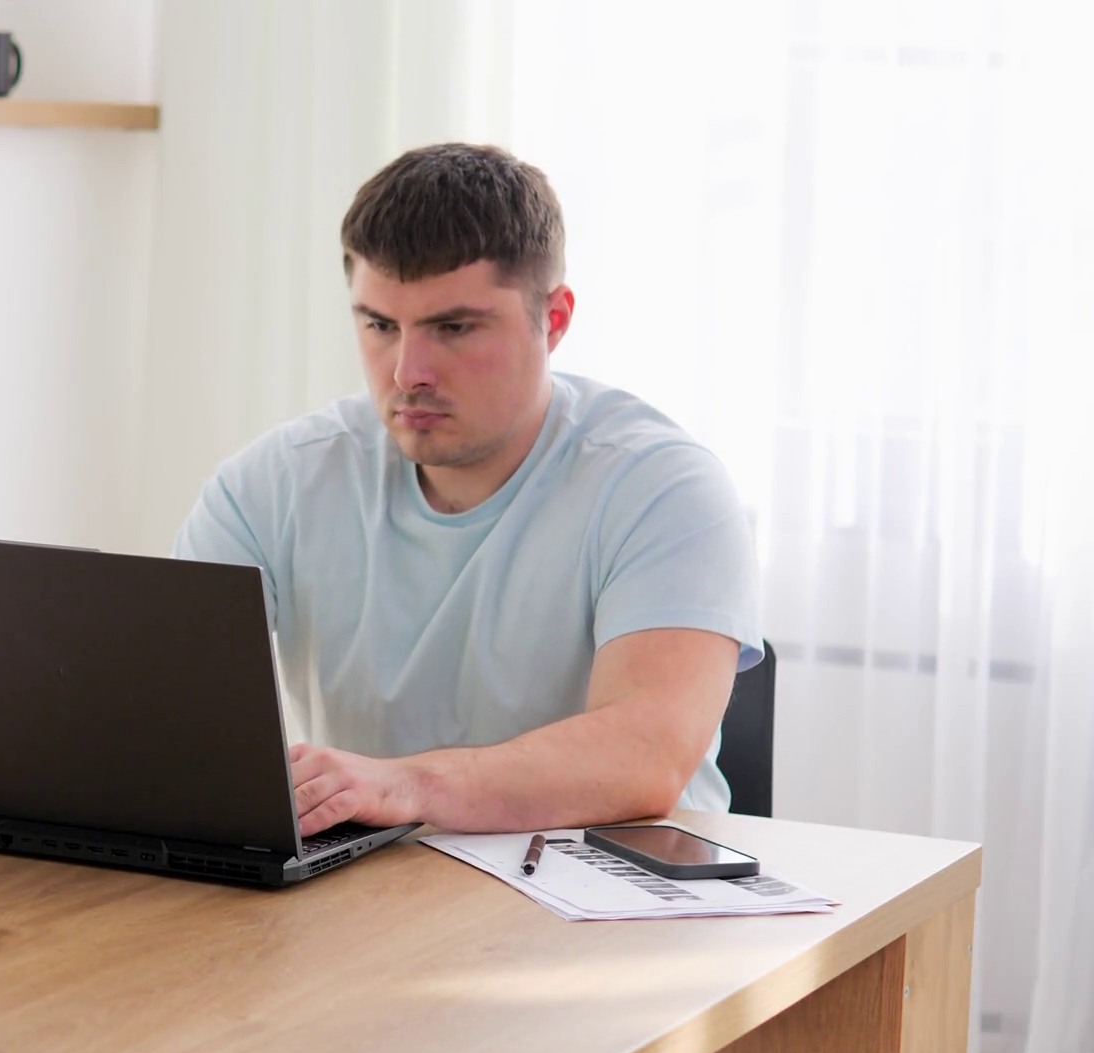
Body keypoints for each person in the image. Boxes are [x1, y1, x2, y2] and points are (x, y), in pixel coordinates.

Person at [173, 143, 762, 837]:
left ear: (555, 319)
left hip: (611, 882)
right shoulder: (270, 485)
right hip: (378, 877)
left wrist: (404, 784)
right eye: (380, 326)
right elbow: (163, 709)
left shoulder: (665, 489)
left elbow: (643, 758)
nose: (407, 373)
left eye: (453, 328)